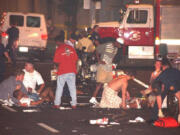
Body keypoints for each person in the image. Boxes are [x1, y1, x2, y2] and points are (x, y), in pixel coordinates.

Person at [89, 38, 122, 104]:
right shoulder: (107, 45)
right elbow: (97, 50)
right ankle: (93, 98)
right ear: (116, 42)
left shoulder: (116, 49)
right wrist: (99, 60)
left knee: (109, 84)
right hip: (102, 67)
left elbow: (111, 58)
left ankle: (106, 99)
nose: (120, 46)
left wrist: (112, 65)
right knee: (100, 83)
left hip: (109, 67)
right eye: (120, 44)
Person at [151, 58, 180, 123]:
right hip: (175, 83)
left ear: (163, 66)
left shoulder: (163, 75)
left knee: (160, 95)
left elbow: (158, 93)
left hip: (168, 83)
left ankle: (155, 116)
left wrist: (159, 110)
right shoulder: (175, 71)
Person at [53, 34, 78, 109]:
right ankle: (74, 104)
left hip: (62, 71)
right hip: (72, 71)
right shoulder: (71, 48)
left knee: (60, 87)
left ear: (57, 42)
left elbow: (56, 61)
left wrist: (57, 66)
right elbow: (76, 59)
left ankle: (57, 104)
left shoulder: (59, 49)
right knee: (72, 88)